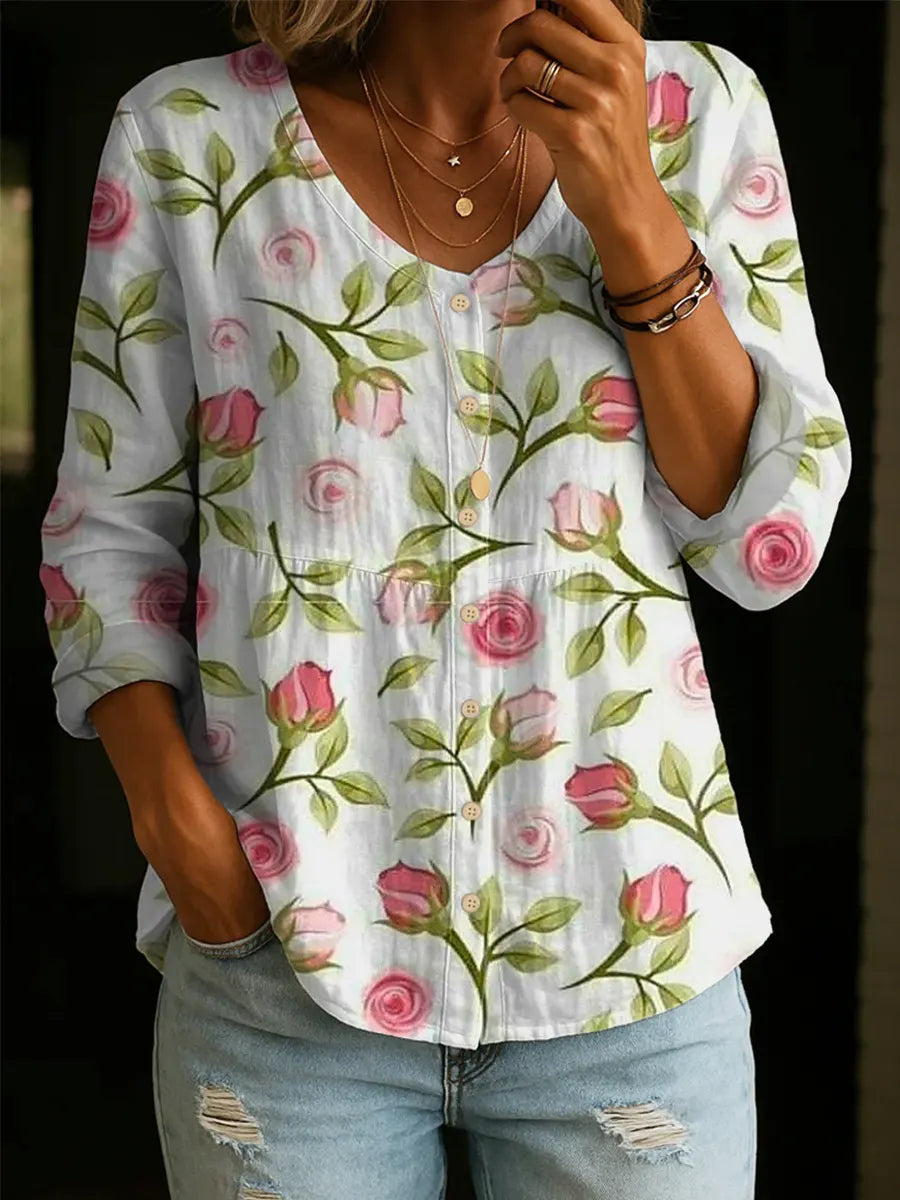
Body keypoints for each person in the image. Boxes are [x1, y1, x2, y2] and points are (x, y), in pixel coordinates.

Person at [38, 1, 851, 1196]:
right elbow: (108, 532)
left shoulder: (698, 111)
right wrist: (183, 836)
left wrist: (629, 201)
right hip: (285, 962)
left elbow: (765, 548)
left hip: (634, 961)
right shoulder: (187, 133)